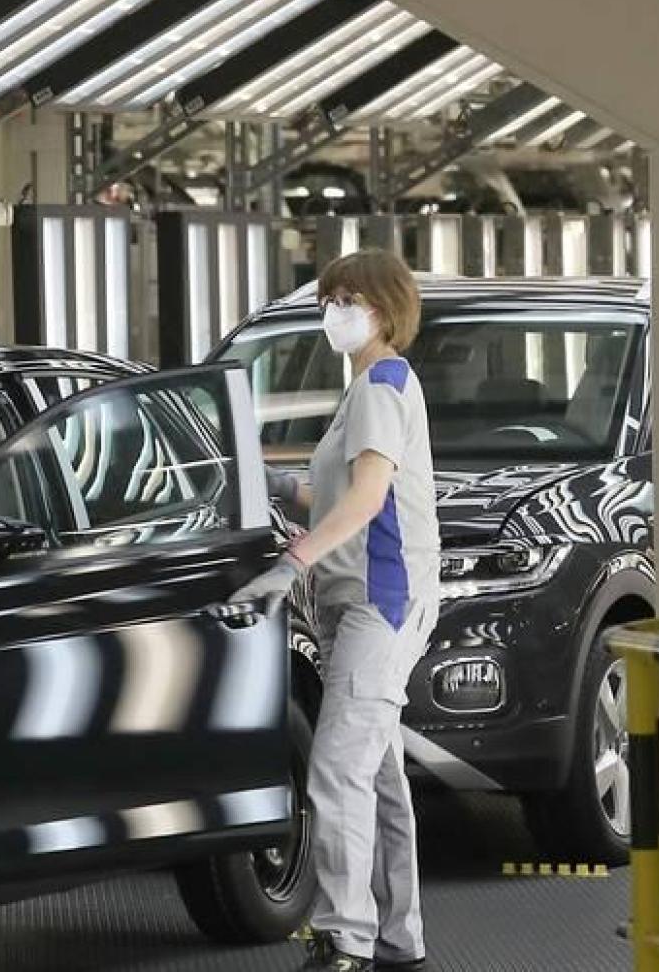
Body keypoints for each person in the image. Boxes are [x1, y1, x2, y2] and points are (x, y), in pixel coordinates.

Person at [230, 250, 439, 972]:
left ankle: (345, 940)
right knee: (375, 775)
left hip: (378, 605)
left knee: (333, 771)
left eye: (346, 300)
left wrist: (292, 562)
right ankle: (398, 938)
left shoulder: (381, 385)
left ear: (382, 310)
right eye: (328, 299)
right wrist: (275, 488)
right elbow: (337, 496)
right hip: (365, 603)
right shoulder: (367, 392)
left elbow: (369, 499)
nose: (332, 314)